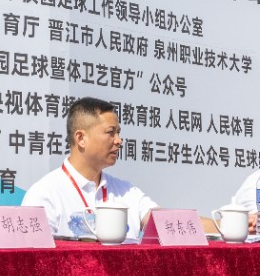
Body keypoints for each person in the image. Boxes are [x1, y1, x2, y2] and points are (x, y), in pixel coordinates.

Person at [23, 97, 160, 240]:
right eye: (110, 132)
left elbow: (165, 225)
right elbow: (35, 251)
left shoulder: (128, 192)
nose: (119, 141)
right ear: (81, 138)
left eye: (118, 132)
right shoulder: (45, 195)